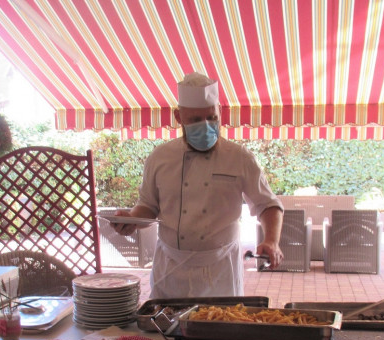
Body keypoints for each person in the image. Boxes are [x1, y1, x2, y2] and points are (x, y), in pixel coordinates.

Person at [111, 71, 284, 299]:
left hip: (220, 270)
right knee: (167, 331)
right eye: (195, 120)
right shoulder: (160, 157)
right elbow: (148, 207)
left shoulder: (240, 157)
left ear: (220, 113)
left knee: (220, 330)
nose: (206, 126)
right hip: (171, 269)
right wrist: (133, 219)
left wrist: (271, 240)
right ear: (178, 117)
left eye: (211, 118)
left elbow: (267, 204)